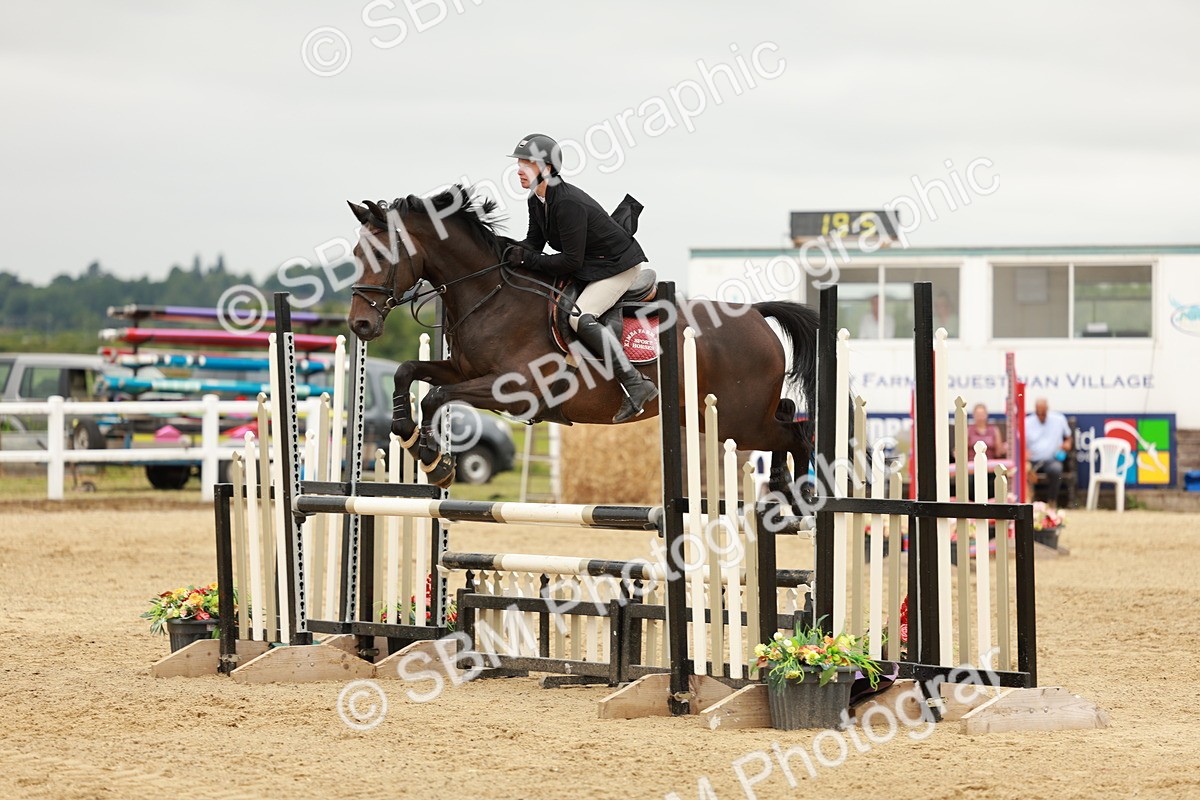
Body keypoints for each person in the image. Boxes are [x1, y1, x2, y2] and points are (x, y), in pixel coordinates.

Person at [504, 133, 658, 423]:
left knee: (580, 317)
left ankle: (637, 384)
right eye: (519, 163)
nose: (519, 169)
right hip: (590, 266)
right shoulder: (537, 200)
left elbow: (569, 261)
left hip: (616, 267)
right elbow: (533, 245)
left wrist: (525, 258)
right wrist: (502, 251)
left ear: (547, 168)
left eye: (526, 163)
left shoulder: (567, 202)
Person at [1025, 397, 1072, 508]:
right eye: (1039, 413)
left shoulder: (1059, 419)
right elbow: (1020, 442)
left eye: (1043, 412)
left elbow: (1068, 437)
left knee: (1056, 470)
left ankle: (1052, 502)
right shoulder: (1027, 422)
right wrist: (1025, 453)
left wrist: (1067, 444)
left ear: (1047, 409)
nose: (1041, 415)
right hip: (1032, 460)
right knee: (1025, 470)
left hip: (1052, 459)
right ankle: (1028, 502)